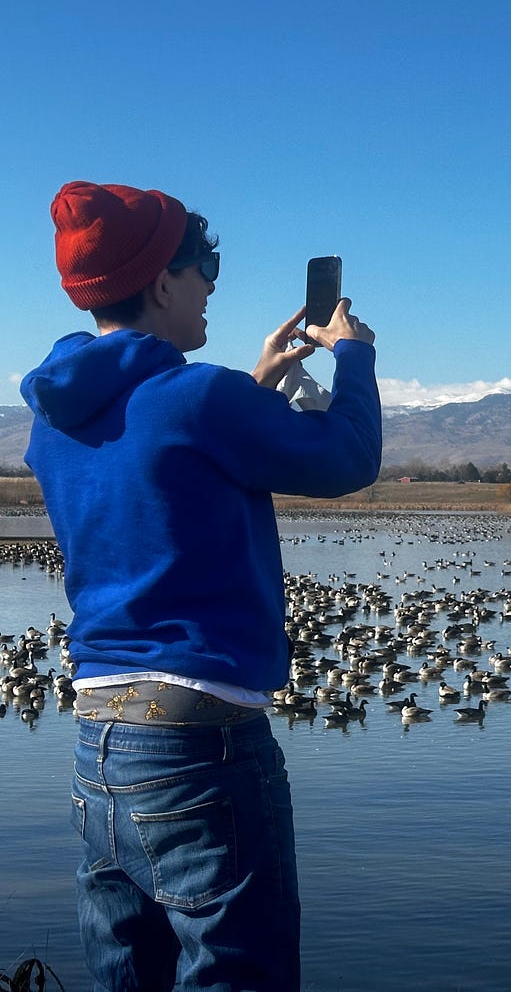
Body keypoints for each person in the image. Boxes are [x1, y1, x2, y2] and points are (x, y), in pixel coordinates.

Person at [21, 181, 382, 991]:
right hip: (201, 750)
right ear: (161, 283)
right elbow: (348, 458)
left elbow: (152, 479)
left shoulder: (57, 417)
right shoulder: (198, 396)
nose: (214, 282)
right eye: (205, 265)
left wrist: (249, 394)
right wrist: (353, 352)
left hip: (98, 746)